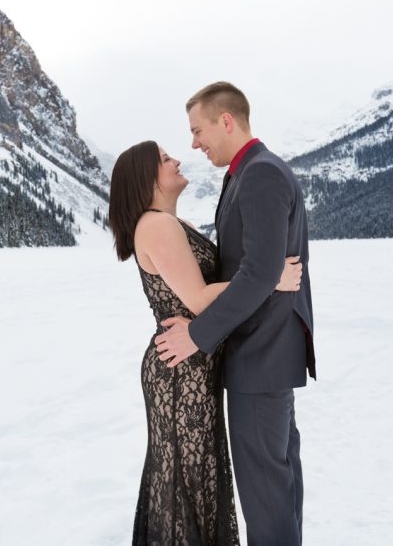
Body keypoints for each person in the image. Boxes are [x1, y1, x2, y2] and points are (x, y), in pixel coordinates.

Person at [109, 140, 303, 546]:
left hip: (193, 361)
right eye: (164, 159)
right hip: (181, 368)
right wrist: (270, 279)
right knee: (186, 479)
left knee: (193, 476)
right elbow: (197, 299)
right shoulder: (156, 225)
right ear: (147, 180)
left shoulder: (174, 225)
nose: (177, 159)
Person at [154, 82, 316, 545]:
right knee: (277, 491)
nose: (194, 143)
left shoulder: (261, 173)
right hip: (262, 357)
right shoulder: (245, 173)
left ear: (227, 121)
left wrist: (197, 335)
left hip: (260, 358)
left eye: (198, 129)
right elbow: (259, 270)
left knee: (268, 499)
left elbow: (260, 271)